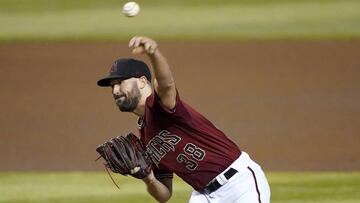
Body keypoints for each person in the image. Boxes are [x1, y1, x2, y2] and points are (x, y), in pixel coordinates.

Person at [97, 36, 271, 203]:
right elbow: (164, 195)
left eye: (121, 82)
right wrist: (148, 178)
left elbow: (166, 84)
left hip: (239, 184)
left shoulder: (159, 106)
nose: (115, 90)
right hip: (204, 195)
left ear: (142, 82)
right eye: (112, 86)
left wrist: (154, 53)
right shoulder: (145, 137)